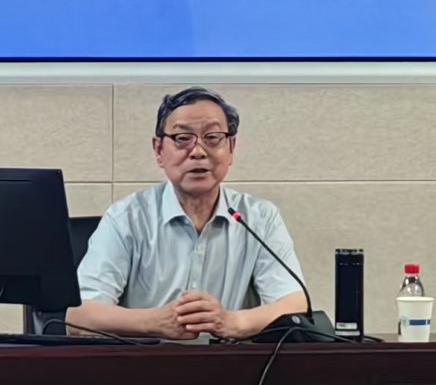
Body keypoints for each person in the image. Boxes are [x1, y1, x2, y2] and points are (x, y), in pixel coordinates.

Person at [68, 87, 308, 340]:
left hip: (233, 363)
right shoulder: (127, 218)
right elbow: (78, 316)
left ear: (231, 147)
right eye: (183, 138)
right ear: (159, 150)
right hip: (145, 362)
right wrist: (156, 322)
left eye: (212, 137)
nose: (198, 151)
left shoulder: (260, 218)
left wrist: (232, 321)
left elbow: (294, 303)